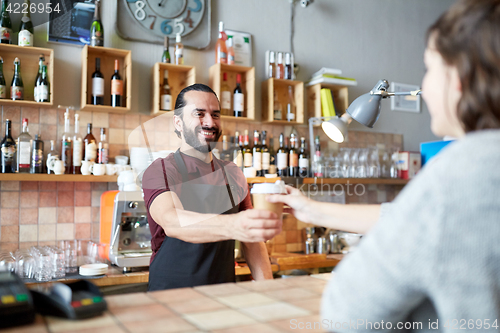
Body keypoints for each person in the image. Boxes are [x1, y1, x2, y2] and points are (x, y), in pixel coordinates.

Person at [269, 0, 500, 331]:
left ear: (458, 78)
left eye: (429, 68)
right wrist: (311, 210)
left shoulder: (456, 174)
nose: (424, 88)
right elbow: (407, 219)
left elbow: (348, 310)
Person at [142, 84, 281, 291]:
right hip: (170, 296)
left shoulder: (233, 173)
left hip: (222, 293)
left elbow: (252, 242)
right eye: (199, 114)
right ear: (178, 122)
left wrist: (269, 290)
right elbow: (172, 222)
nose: (209, 122)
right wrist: (236, 224)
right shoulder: (161, 170)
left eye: (215, 115)